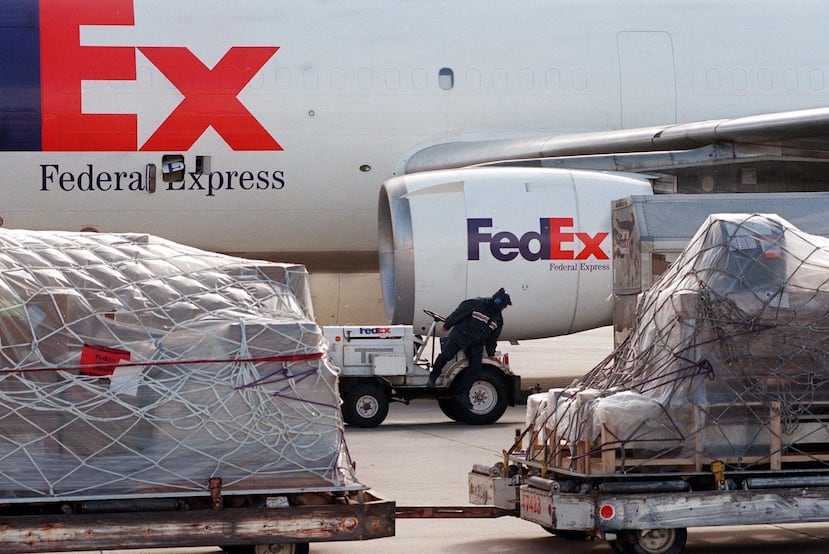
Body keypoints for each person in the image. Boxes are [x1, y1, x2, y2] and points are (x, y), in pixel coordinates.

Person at [427, 288, 511, 387]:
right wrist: (447, 325)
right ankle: (432, 378)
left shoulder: (498, 320)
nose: (503, 308)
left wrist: (491, 353)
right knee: (445, 356)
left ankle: (462, 390)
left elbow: (493, 339)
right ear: (497, 302)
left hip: (475, 344)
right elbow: (458, 313)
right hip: (460, 337)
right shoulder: (476, 304)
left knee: (475, 369)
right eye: (504, 305)